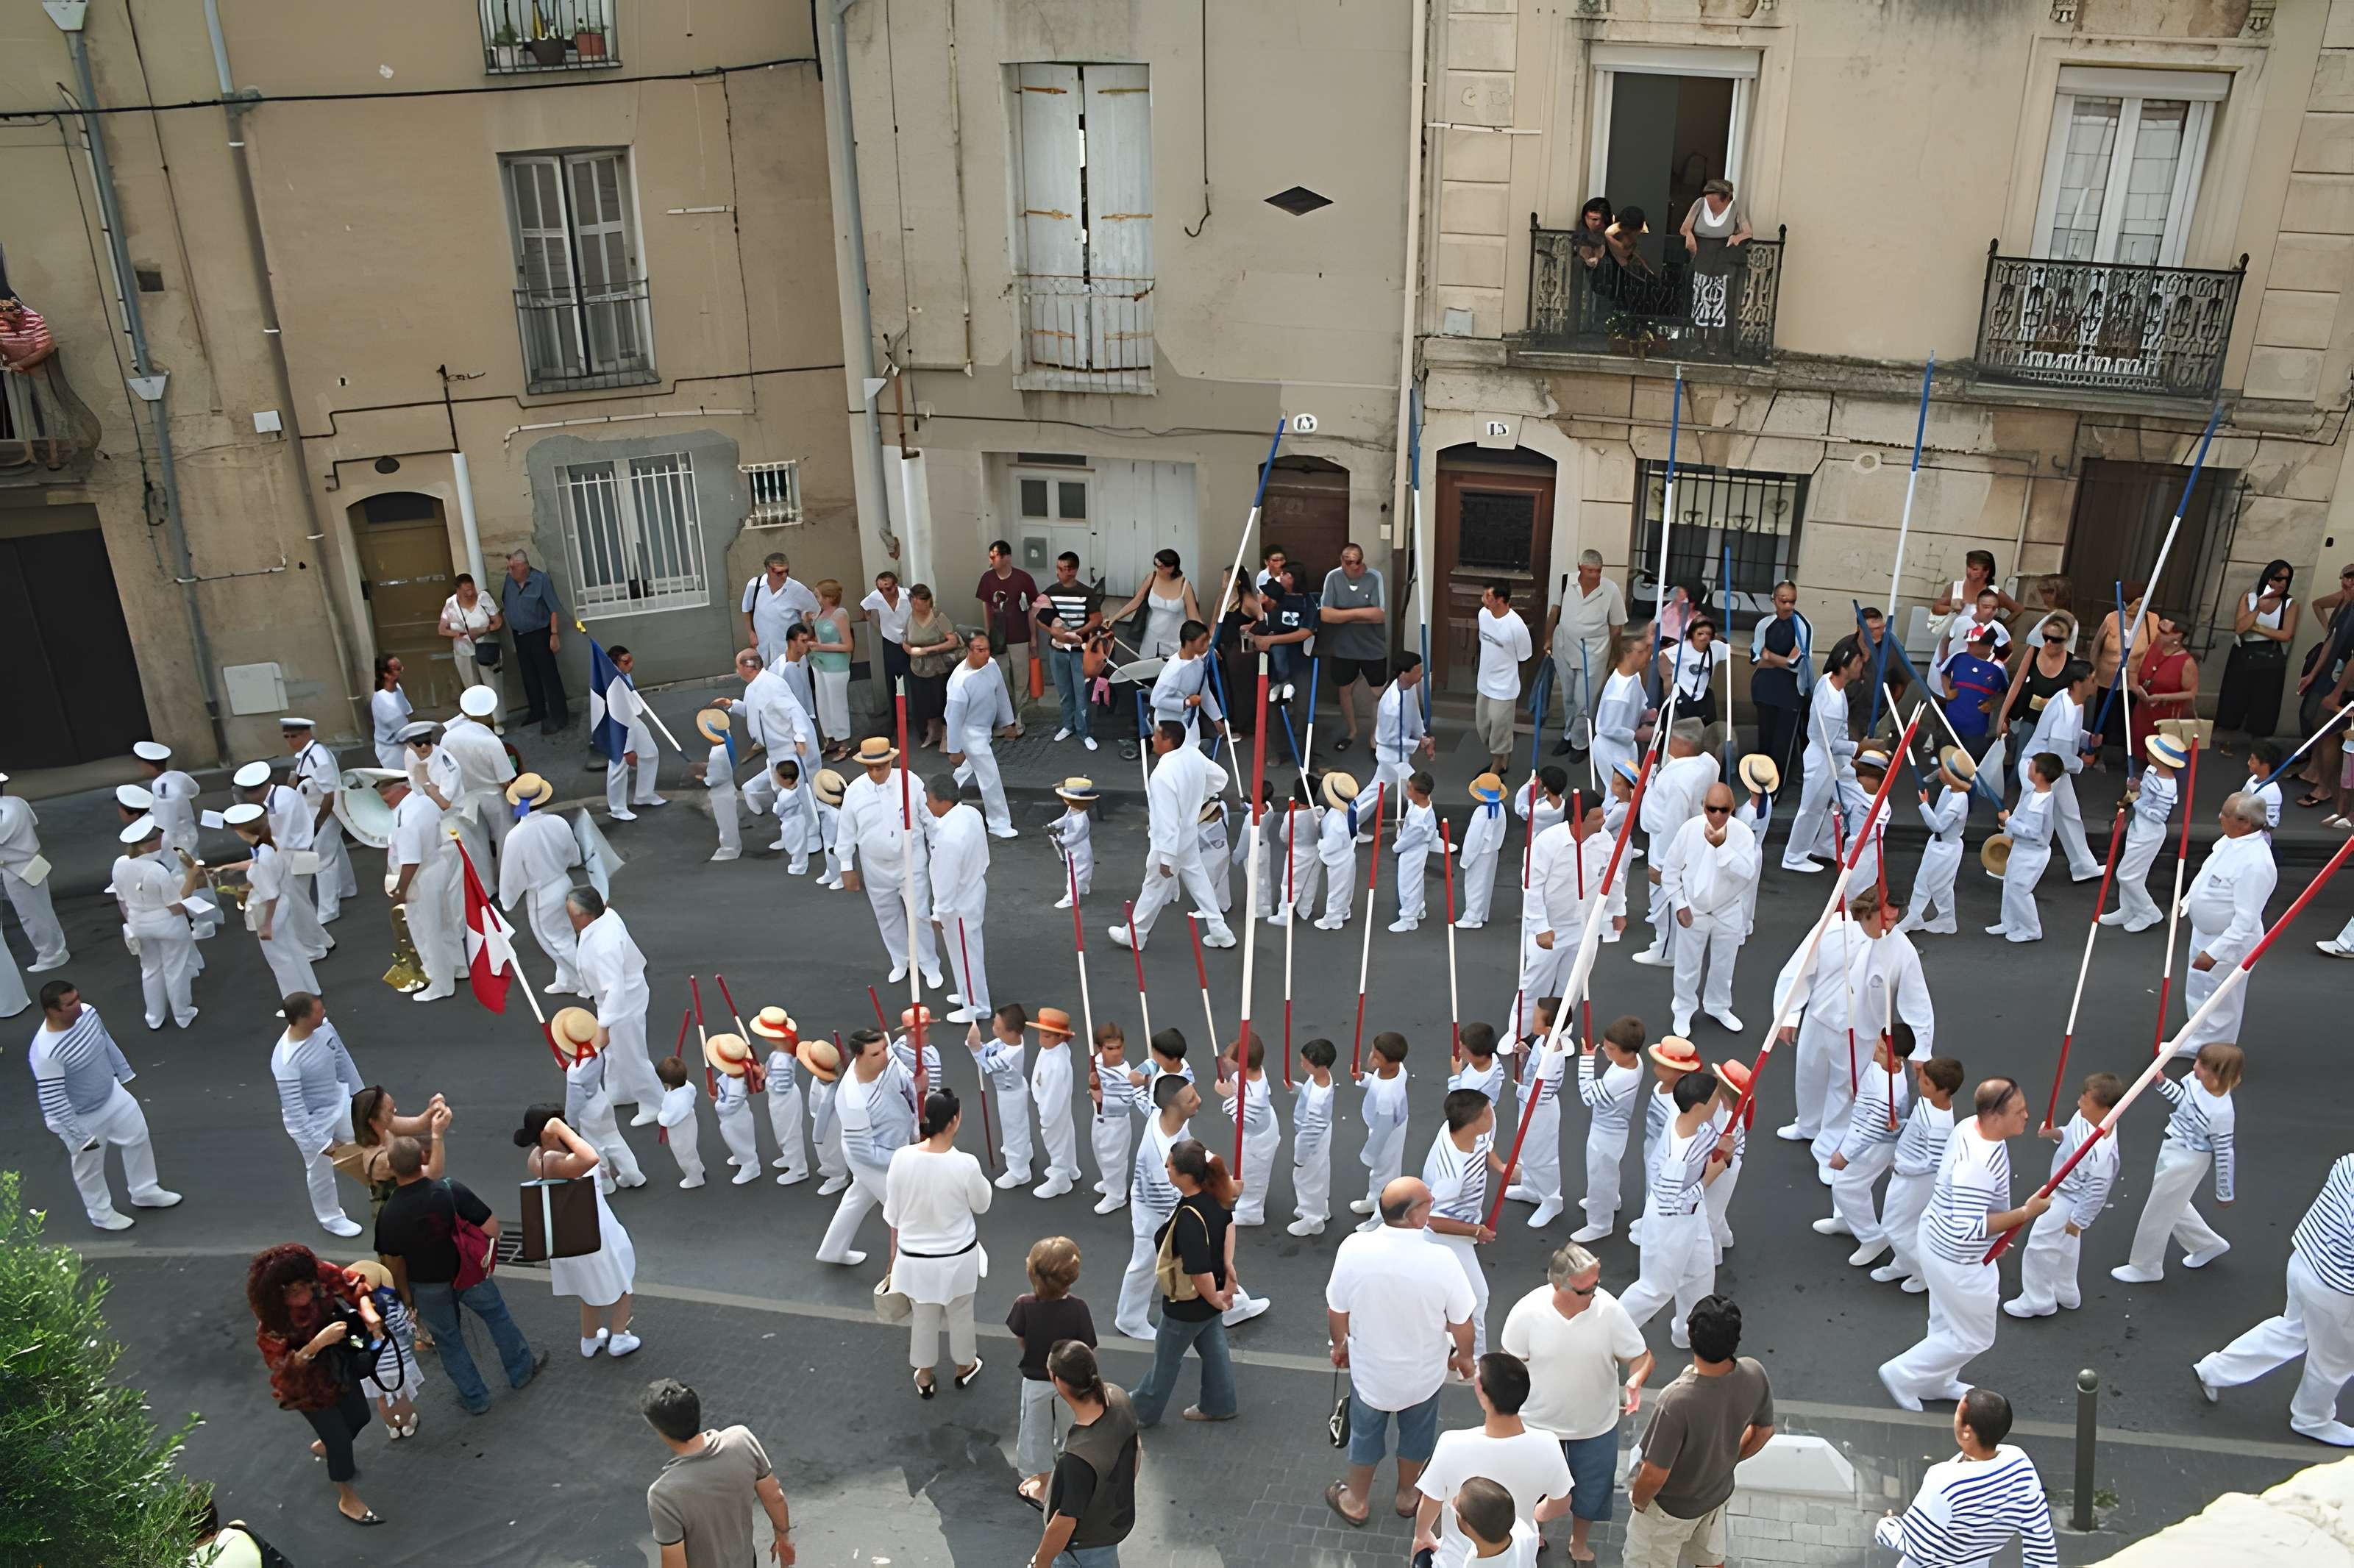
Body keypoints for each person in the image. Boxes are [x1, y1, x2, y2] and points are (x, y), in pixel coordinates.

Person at [1879, 1078, 2052, 1411]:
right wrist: (2024, 1214)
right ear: (1994, 1117)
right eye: (2019, 1111)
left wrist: (1998, 1232)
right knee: (1975, 1335)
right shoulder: (1978, 1166)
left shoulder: (1968, 1128)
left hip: (1938, 1240)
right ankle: (1903, 1373)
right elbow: (1969, 1229)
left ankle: (1935, 1380)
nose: (2027, 1116)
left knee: (1945, 1321)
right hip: (1956, 1257)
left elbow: (1973, 1216)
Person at [1323, 1176, 1478, 1527]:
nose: (1433, 1201)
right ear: (1413, 1216)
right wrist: (1464, 1358)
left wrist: (1341, 1346)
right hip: (1423, 1376)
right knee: (1417, 1437)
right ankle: (1408, 1496)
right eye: (1427, 1201)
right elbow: (1462, 1322)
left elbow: (1337, 1310)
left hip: (1371, 1374)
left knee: (1364, 1435)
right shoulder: (1442, 1259)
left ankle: (1357, 1501)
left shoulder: (1353, 1248)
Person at [1499, 1243, 1651, 1562]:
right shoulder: (1526, 1313)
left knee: (1591, 1494)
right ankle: (1533, 1533)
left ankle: (1577, 1542)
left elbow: (1640, 1356)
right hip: (1537, 1423)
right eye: (1585, 1290)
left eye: (1597, 1285)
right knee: (1529, 1487)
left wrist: (1635, 1380)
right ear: (1557, 1285)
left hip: (1596, 1424)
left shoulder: (1609, 1311)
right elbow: (1508, 1370)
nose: (1594, 1294)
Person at [245, 1244, 383, 1527]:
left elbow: (351, 1283)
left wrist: (367, 1310)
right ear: (279, 1295)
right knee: (340, 1440)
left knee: (360, 1417)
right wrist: (318, 1343)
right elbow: (283, 1370)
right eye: (293, 1291)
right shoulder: (271, 1324)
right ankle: (347, 1497)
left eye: (305, 1285)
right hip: (305, 1385)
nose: (305, 1292)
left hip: (338, 1366)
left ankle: (327, 1443)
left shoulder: (316, 1273)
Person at [27, 980, 181, 1230]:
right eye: (70, 1004)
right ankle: (101, 1214)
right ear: (52, 1011)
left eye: (77, 998)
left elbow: (105, 1042)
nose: (78, 1005)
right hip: (81, 1117)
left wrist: (124, 1074)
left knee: (138, 1137)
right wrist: (79, 1135)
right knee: (90, 1169)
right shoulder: (46, 1052)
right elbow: (53, 1099)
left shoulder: (88, 1013)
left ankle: (145, 1190)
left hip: (111, 1094)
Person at [1413, 1353, 1573, 1567]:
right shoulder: (1548, 1444)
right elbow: (1562, 1503)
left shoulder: (1451, 1444)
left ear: (1480, 1389)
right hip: (1518, 1557)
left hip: (1456, 1559)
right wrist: (1532, 1515)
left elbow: (1429, 1503)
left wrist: (1422, 1536)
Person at [884, 1086, 993, 1395]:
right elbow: (982, 1204)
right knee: (961, 1313)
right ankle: (964, 1366)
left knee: (923, 1317)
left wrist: (892, 1257)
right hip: (958, 1258)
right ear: (955, 1120)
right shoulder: (966, 1164)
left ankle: (925, 1375)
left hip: (915, 1260)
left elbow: (892, 1216)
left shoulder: (901, 1158)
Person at [1874, 1388, 2059, 1568]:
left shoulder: (1944, 1481)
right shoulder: (2019, 1463)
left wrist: (1885, 1525)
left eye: (1957, 1413)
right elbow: (2040, 1539)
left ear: (1966, 1431)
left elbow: (1916, 1547)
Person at [1127, 1138, 1240, 1426]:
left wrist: (1214, 1297)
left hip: (1187, 1305)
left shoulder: (1190, 1217)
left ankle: (1141, 1411)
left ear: (1184, 1175)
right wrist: (1227, 1275)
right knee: (1214, 1350)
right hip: (1210, 1297)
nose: (1166, 1168)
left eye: (1170, 1165)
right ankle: (1220, 1403)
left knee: (1165, 1360)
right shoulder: (1216, 1197)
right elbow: (1229, 1228)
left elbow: (1198, 1270)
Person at [1620, 1062, 1733, 1347]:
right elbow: (1671, 1202)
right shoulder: (1678, 1155)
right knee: (1655, 1288)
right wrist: (1710, 1177)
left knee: (1700, 1276)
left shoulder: (1692, 1122)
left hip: (1693, 1216)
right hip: (1670, 1221)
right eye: (1715, 1098)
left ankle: (1688, 1334)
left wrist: (1723, 1151)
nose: (1719, 1102)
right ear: (1698, 1106)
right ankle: (1609, 1331)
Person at [516, 1104, 641, 1357]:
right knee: (622, 1283)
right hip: (596, 1229)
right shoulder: (561, 1161)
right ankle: (618, 1338)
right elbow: (591, 1157)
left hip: (570, 1233)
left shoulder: (538, 1159)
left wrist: (552, 1133)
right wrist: (560, 1127)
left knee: (587, 1289)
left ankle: (590, 1339)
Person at [2112, 1042, 2240, 1284]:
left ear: (2217, 1073)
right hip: (2172, 1146)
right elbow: (2184, 1103)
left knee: (2158, 1209)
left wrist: (2224, 1192)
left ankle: (2146, 1265)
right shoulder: (2196, 1082)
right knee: (2173, 1204)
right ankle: (2206, 1244)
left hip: (2189, 1160)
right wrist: (2163, 1084)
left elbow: (2225, 1153)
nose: (2195, 1066)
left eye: (2201, 1065)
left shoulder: (2222, 1113)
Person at [2005, 1071, 2124, 1318]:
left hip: (2069, 1200)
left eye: (2086, 1100)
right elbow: (2070, 1134)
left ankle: (2038, 1300)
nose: (2079, 1101)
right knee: (2067, 1246)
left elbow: (2097, 1192)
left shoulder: (2102, 1154)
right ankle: (2066, 1291)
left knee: (2040, 1246)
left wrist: (2078, 1220)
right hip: (2062, 1190)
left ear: (2105, 1110)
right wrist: (2054, 1134)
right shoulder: (2085, 1118)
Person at [641, 1378, 797, 1566]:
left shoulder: (663, 1494)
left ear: (660, 1430)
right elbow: (775, 1496)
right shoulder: (741, 1439)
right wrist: (783, 1536)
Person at [1110, 721, 1235, 951]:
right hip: (1188, 833)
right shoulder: (1193, 755)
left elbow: (1166, 820)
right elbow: (1221, 778)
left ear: (1168, 740)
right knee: (1198, 880)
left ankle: (1135, 935)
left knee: (1154, 886)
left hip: (1169, 843)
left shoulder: (1161, 775)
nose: (1152, 739)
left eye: (1156, 735)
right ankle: (1220, 930)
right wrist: (1199, 798)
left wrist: (1167, 858)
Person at [2175, 793, 2279, 1054]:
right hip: (2205, 932)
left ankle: (2217, 1052)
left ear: (2245, 822)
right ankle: (2196, 1040)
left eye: (2226, 814)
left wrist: (2215, 953)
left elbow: (2246, 921)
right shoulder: (2229, 841)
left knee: (2220, 1000)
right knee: (2199, 989)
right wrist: (2189, 902)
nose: (2220, 817)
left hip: (2228, 943)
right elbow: (2207, 874)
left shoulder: (2256, 864)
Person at [837, 736, 945, 984]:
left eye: (881, 767)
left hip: (911, 862)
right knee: (886, 916)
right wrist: (845, 866)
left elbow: (929, 821)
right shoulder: (855, 791)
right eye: (870, 768)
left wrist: (939, 852)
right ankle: (901, 960)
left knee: (919, 915)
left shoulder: (911, 782)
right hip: (875, 867)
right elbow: (845, 831)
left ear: (891, 762)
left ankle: (929, 963)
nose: (875, 773)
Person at [814, 1027, 919, 1265]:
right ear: (858, 1056)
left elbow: (903, 1077)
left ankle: (832, 1250)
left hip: (894, 1145)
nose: (885, 1056)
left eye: (884, 1049)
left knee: (857, 1198)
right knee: (906, 1212)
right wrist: (907, 1156)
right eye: (876, 1054)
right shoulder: (852, 1100)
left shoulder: (884, 1054)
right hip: (873, 1160)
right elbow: (865, 1153)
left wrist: (917, 1083)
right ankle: (913, 1271)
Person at [1031, 1341, 1139, 1568]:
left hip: (1084, 1547)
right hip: (1114, 1525)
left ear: (1058, 1382)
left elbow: (1065, 1521)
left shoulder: (1077, 1457)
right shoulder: (1119, 1398)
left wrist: (1041, 1562)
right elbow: (1136, 1450)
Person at [1663, 783, 1757, 1038]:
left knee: (1724, 965)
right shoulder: (1689, 830)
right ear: (1703, 806)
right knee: (1686, 965)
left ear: (1732, 809)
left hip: (1729, 910)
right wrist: (1679, 903)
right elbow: (1670, 871)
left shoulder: (1744, 835)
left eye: (1723, 810)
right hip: (1695, 909)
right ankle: (1683, 1010)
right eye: (1712, 809)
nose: (1717, 816)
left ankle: (1718, 1007)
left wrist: (1722, 846)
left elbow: (1747, 873)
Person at [1008, 1236, 1097, 1504]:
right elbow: (1088, 1349)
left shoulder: (1024, 1305)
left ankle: (1043, 1484)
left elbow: (1021, 1338)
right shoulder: (1079, 1309)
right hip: (1070, 1382)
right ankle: (1074, 1475)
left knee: (1035, 1430)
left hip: (1036, 1378)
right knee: (1072, 1429)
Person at [271, 993, 366, 1239]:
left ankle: (382, 1192)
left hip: (340, 1101)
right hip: (313, 1122)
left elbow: (342, 1059)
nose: (323, 1011)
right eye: (318, 1009)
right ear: (303, 1018)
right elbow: (294, 1109)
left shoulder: (325, 1028)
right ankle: (331, 1219)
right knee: (320, 1169)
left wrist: (361, 1097)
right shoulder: (286, 1061)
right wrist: (320, 1142)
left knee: (367, 1145)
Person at [569, 886, 664, 1122]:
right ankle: (620, 1090)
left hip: (624, 1001)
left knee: (631, 1053)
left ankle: (654, 1101)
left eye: (572, 914)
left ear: (584, 915)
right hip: (616, 997)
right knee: (614, 1052)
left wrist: (605, 1025)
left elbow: (615, 987)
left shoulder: (604, 943)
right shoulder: (603, 919)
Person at [1421, 1087, 1503, 1355]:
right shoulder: (1451, 1177)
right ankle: (1474, 1356)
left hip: (1463, 1226)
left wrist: (1501, 1167)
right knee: (1477, 1299)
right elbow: (1432, 1220)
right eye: (1488, 1112)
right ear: (1475, 1123)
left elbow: (1484, 1147)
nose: (1493, 1114)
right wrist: (1476, 1230)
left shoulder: (1455, 1128)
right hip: (1448, 1236)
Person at [1875, 1056, 1964, 1292]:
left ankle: (1923, 1271)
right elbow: (1915, 1129)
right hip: (1906, 1172)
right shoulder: (1928, 1102)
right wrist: (1901, 1125)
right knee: (1907, 1226)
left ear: (1943, 1090)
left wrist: (1902, 1166)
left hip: (1915, 1180)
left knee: (1893, 1226)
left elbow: (1934, 1163)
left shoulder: (1940, 1125)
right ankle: (1903, 1263)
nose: (1919, 1084)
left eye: (1925, 1082)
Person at [109, 815, 205, 1030]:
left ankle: (154, 1017)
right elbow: (176, 906)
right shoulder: (157, 870)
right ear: (153, 842)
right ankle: (182, 1014)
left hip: (138, 924)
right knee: (175, 969)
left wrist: (134, 921)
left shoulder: (120, 865)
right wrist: (192, 876)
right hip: (168, 924)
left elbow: (122, 899)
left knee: (150, 969)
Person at [376, 773, 460, 1004]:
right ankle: (459, 967)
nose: (382, 797)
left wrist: (401, 891)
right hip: (437, 864)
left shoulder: (406, 818)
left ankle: (440, 983)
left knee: (426, 931)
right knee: (445, 922)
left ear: (401, 787)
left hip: (420, 876)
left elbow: (410, 861)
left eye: (385, 791)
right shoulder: (422, 801)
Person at [219, 804, 319, 997]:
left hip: (270, 911)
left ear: (240, 831)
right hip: (282, 906)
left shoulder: (263, 853)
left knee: (280, 960)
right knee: (294, 950)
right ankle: (310, 990)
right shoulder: (268, 845)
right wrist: (227, 866)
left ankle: (296, 999)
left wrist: (266, 925)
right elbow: (257, 863)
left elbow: (270, 895)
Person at [2016, 659, 2102, 881]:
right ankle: (2004, 861)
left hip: (2052, 769)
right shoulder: (2067, 711)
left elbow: (2070, 738)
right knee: (2029, 819)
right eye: (2092, 680)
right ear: (2078, 683)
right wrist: (2084, 762)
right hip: (2039, 770)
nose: (2096, 684)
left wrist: (2087, 739)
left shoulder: (2068, 699)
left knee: (2069, 815)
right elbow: (2060, 755)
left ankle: (2084, 866)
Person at [497, 774, 586, 991]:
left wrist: (506, 900)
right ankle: (567, 980)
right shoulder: (558, 821)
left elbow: (510, 873)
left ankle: (585, 981)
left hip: (542, 893)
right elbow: (574, 856)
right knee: (565, 935)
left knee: (554, 942)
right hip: (564, 883)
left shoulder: (516, 835)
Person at [1782, 641, 1862, 872]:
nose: (1861, 666)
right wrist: (1858, 747)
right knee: (1812, 808)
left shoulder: (1828, 680)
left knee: (1838, 802)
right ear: (1846, 665)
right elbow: (1832, 743)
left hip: (1833, 758)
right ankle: (1794, 856)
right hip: (1823, 758)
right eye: (1857, 662)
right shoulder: (1833, 704)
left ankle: (1825, 844)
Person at [922, 775, 994, 1023]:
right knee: (965, 949)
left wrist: (939, 911)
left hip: (959, 901)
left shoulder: (948, 837)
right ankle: (967, 994)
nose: (927, 804)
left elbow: (945, 878)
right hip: (973, 887)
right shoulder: (971, 814)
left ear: (943, 802)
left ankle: (977, 1005)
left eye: (929, 799)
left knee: (965, 951)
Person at [1543, 552, 1628, 756]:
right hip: (1564, 646)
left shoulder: (1610, 589)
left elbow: (1616, 627)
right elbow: (1554, 611)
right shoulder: (1566, 581)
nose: (1595, 575)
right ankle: (1568, 735)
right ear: (1580, 567)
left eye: (1598, 571)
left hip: (1594, 652)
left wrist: (1614, 656)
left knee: (1585, 700)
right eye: (1590, 571)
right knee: (1569, 697)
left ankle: (1581, 743)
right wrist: (1547, 639)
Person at [946, 631, 1021, 838]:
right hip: (968, 732)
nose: (985, 654)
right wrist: (954, 749)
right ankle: (999, 823)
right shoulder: (960, 682)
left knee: (964, 772)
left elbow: (1001, 692)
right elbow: (953, 719)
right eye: (980, 650)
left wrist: (1009, 722)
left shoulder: (992, 665)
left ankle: (941, 801)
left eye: (987, 649)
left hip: (984, 729)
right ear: (969, 652)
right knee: (990, 776)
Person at [2219, 559, 2300, 751]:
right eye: (2277, 578)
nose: (2281, 583)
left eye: (2286, 580)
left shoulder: (2290, 604)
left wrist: (2255, 627)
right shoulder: (2250, 598)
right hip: (2243, 653)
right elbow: (2239, 628)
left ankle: (2256, 744)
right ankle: (2228, 739)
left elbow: (2286, 635)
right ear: (2268, 578)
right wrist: (2257, 611)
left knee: (2264, 702)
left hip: (2270, 656)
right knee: (2235, 697)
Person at [1318, 542, 1389, 755]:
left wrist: (1343, 615)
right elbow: (1325, 615)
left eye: (1358, 562)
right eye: (1349, 562)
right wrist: (1361, 614)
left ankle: (1375, 737)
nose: (1354, 567)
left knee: (1378, 692)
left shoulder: (1374, 577)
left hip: (1373, 646)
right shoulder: (1333, 577)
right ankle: (1352, 731)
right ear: (1342, 561)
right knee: (1345, 689)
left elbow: (1379, 615)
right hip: (1343, 648)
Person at [1902, 749, 1977, 936]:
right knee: (1932, 884)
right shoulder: (1947, 790)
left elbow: (1937, 825)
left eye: (1944, 770)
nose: (1940, 771)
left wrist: (1924, 804)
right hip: (1937, 845)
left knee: (1932, 884)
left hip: (1947, 849)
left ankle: (1919, 918)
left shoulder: (1959, 801)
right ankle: (1941, 919)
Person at [1987, 755, 2061, 944]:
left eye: (2032, 766)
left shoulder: (2039, 803)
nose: (2028, 767)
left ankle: (2031, 929)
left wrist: (2009, 821)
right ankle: (2009, 923)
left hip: (2033, 853)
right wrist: (2010, 828)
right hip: (2022, 849)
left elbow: (2032, 832)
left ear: (2040, 775)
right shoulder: (2035, 794)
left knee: (2020, 889)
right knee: (2010, 884)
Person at [1744, 582, 1811, 791]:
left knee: (1782, 744)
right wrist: (1777, 659)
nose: (1789, 605)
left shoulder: (1802, 625)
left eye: (1792, 601)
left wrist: (1769, 656)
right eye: (1784, 601)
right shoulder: (1765, 624)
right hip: (1764, 689)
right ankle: (1759, 783)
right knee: (1765, 739)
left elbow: (1796, 663)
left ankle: (1776, 788)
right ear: (1774, 599)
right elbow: (1755, 657)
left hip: (1790, 692)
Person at [0, 776, 67, 972]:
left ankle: (50, 955)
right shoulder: (18, 802)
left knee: (31, 915)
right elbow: (33, 822)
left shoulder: (5, 810)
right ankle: (57, 950)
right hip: (30, 862)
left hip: (15, 869)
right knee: (43, 909)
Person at [1037, 550, 1103, 749]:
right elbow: (1040, 619)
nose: (1061, 573)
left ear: (1074, 571)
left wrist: (1079, 632)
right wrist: (1054, 633)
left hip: (1079, 651)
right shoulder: (1049, 592)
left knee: (1081, 692)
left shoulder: (1086, 593)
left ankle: (1084, 732)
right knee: (1064, 691)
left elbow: (1097, 618)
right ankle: (1068, 725)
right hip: (1057, 650)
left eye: (1065, 569)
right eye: (1059, 568)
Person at [499, 550, 569, 733]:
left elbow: (553, 608)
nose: (510, 570)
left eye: (513, 567)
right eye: (509, 567)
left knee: (549, 676)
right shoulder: (509, 581)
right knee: (528, 675)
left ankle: (559, 716)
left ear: (525, 565)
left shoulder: (540, 580)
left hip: (539, 633)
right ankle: (537, 711)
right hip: (520, 635)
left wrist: (554, 634)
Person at [1103, 546, 1203, 663]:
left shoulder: (1185, 585)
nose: (1157, 569)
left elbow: (1194, 618)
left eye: (1160, 567)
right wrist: (1114, 618)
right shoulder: (1152, 577)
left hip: (1175, 640)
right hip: (1152, 638)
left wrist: (1204, 642)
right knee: (1148, 669)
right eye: (1155, 565)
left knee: (1171, 671)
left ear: (1172, 567)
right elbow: (1137, 600)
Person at [1476, 582, 1532, 774]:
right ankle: (1502, 752)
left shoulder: (1517, 626)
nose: (1484, 600)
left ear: (1501, 600)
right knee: (1483, 728)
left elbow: (1524, 655)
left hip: (1504, 688)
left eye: (1489, 597)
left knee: (1499, 731)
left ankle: (1497, 766)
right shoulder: (1483, 615)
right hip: (1484, 683)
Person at [439, 573, 505, 725]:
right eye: (466, 591)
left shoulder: (483, 598)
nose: (470, 593)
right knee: (472, 688)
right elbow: (442, 629)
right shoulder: (450, 604)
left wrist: (484, 629)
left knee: (491, 684)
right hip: (463, 650)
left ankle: (497, 721)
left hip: (485, 647)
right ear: (458, 591)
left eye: (471, 589)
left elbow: (498, 622)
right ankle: (480, 723)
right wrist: (461, 634)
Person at [900, 583, 960, 749]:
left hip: (938, 667)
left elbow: (952, 641)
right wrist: (909, 649)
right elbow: (905, 639)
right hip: (918, 667)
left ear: (928, 601)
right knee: (923, 702)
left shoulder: (938, 617)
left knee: (940, 700)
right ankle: (932, 732)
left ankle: (946, 735)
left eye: (919, 601)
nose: (915, 604)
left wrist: (927, 650)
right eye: (912, 600)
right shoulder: (910, 617)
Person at [741, 551, 819, 667]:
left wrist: (808, 639)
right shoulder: (755, 586)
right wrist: (751, 633)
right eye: (779, 573)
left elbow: (816, 613)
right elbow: (746, 609)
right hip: (763, 651)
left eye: (786, 571)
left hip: (789, 654)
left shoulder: (797, 589)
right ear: (767, 570)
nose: (784, 576)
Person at [808, 579, 855, 758]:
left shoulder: (840, 614)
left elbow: (848, 645)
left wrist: (821, 647)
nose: (816, 599)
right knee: (823, 703)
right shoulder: (821, 613)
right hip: (819, 664)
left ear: (829, 597)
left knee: (837, 704)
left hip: (836, 666)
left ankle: (844, 741)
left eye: (818, 595)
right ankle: (830, 737)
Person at [1658, 616, 1729, 729]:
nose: (1704, 637)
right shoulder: (1683, 648)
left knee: (1705, 729)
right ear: (1692, 635)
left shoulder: (1716, 648)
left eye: (1708, 634)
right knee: (1678, 730)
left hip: (1702, 696)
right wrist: (1668, 678)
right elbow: (1661, 656)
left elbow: (1731, 650)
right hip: (1682, 693)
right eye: (1700, 634)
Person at [859, 568, 913, 703]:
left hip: (910, 640)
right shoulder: (876, 596)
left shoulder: (907, 595)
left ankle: (913, 716)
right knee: (891, 681)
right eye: (880, 589)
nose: (884, 593)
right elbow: (864, 607)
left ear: (896, 585)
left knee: (911, 680)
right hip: (889, 642)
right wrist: (873, 622)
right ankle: (894, 719)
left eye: (888, 588)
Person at [368, 653, 414, 770]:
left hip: (404, 743)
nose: (402, 670)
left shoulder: (397, 688)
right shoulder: (383, 700)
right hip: (393, 751)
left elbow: (408, 713)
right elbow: (402, 731)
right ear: (386, 674)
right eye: (398, 669)